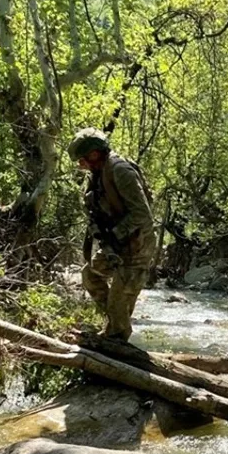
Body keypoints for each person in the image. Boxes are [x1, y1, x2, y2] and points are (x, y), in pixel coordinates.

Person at [67, 128, 156, 341]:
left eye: (82, 160)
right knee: (90, 274)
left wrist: (117, 233)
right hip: (116, 245)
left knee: (118, 315)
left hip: (137, 247)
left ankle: (117, 340)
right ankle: (116, 320)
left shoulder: (120, 170)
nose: (80, 165)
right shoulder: (97, 175)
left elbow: (143, 214)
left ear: (94, 154)